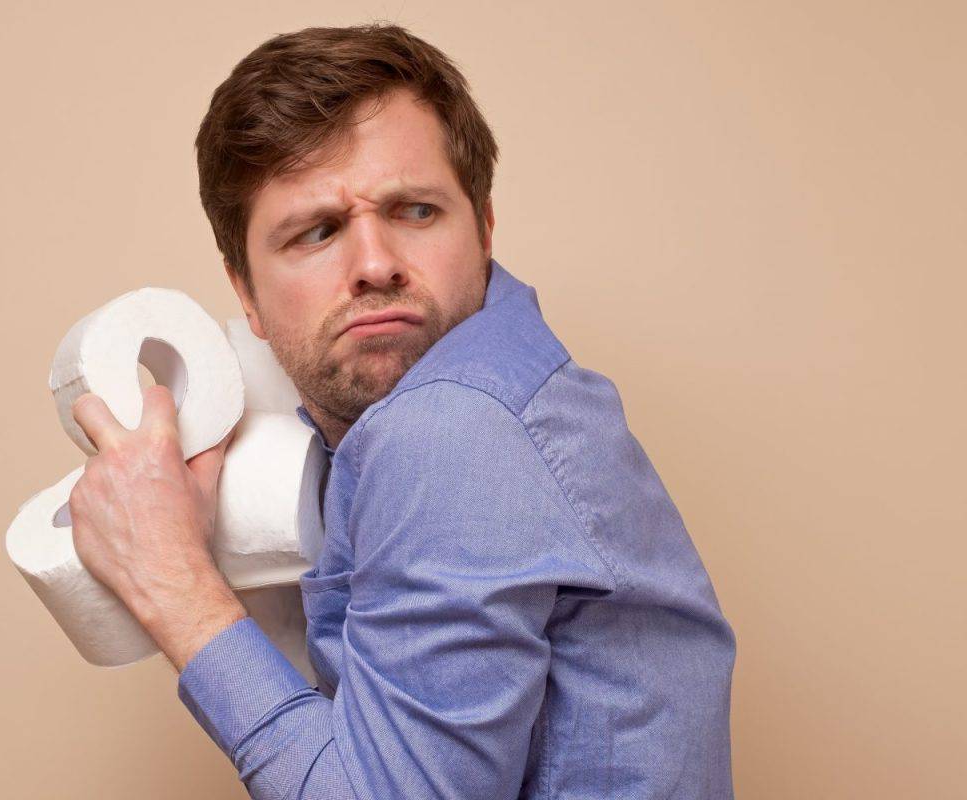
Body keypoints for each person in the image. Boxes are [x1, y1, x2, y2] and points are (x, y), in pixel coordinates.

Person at [66, 23, 736, 799]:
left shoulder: (450, 429)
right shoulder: (506, 395)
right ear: (244, 292)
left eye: (415, 211)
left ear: (483, 229)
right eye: (316, 232)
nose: (376, 263)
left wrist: (171, 578)